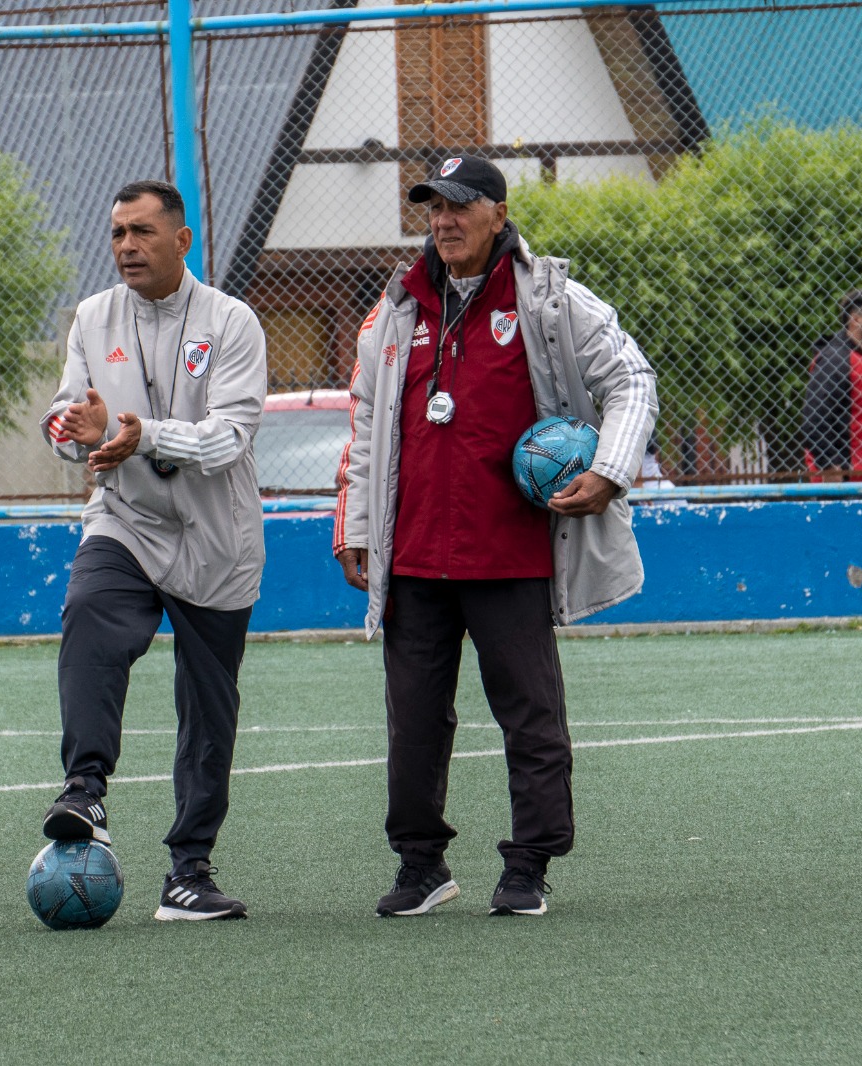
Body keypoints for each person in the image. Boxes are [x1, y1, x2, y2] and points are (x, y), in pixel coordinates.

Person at [332, 156, 657, 919]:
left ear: (499, 213)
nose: (443, 221)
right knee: (412, 719)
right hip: (412, 556)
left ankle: (530, 864)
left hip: (509, 553)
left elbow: (632, 380)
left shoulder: (550, 299)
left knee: (530, 714)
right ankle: (420, 865)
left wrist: (609, 471)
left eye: (460, 206)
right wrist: (355, 525)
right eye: (433, 208)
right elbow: (366, 422)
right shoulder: (394, 311)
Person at [37, 179, 268, 921]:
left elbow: (231, 436)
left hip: (214, 540)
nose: (126, 247)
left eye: (140, 232)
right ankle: (84, 792)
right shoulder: (93, 316)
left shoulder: (231, 323)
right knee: (90, 613)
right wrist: (81, 432)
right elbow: (65, 416)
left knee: (208, 708)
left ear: (181, 240)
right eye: (116, 233)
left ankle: (189, 874)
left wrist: (142, 435)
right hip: (125, 519)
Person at [801, 289, 862, 481]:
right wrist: (830, 466)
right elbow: (813, 419)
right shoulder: (835, 360)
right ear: (855, 320)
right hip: (850, 482)